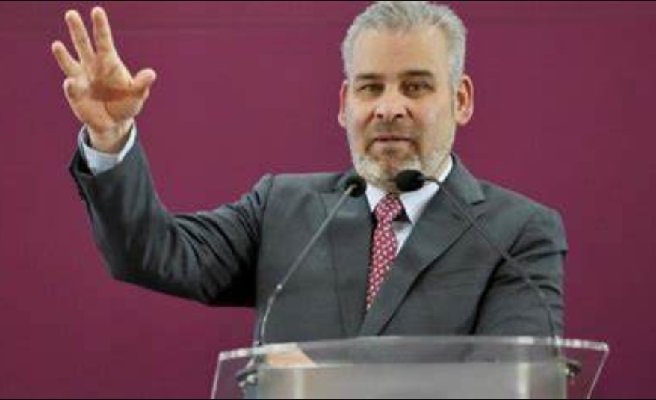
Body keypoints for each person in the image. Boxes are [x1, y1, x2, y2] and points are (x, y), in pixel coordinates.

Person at [52, 1, 567, 344]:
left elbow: (517, 383)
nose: (389, 108)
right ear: (344, 104)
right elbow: (149, 252)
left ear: (461, 99)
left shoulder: (516, 235)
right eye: (370, 87)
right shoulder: (281, 208)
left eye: (415, 87)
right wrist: (110, 135)